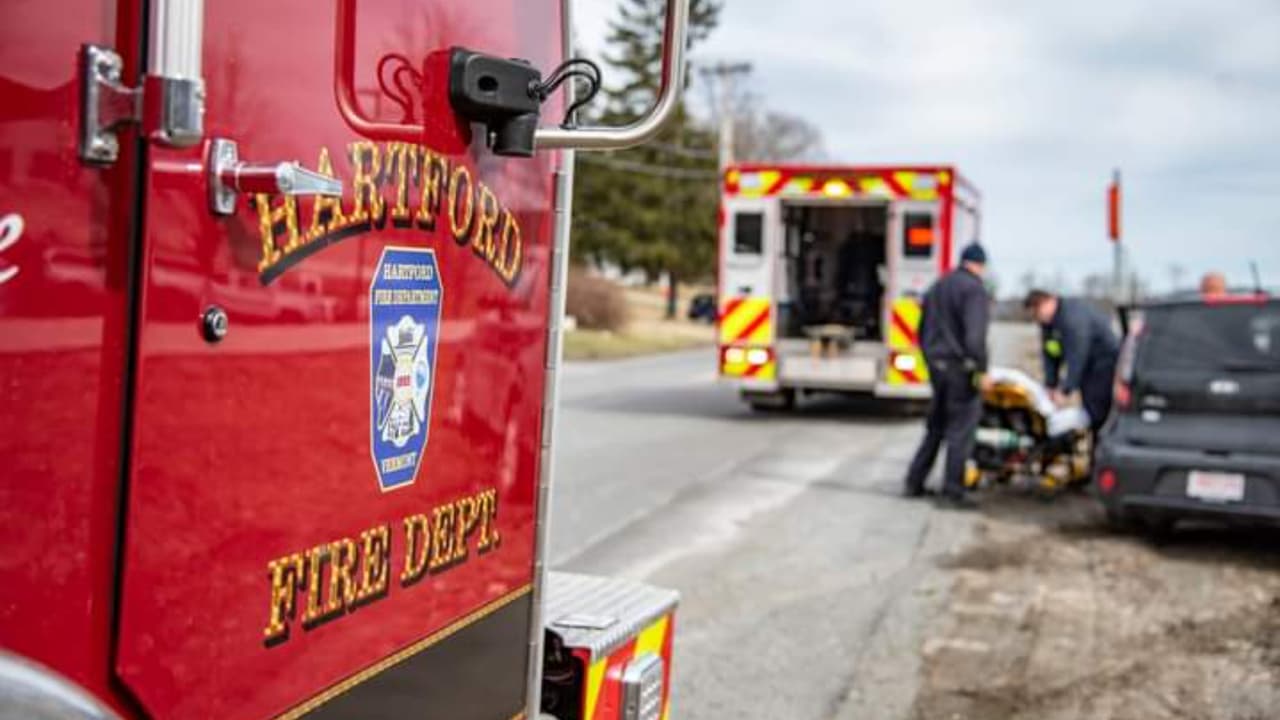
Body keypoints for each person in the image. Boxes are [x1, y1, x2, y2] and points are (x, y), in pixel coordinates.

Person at [903, 243, 993, 508]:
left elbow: (921, 330)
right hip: (959, 370)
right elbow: (975, 337)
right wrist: (982, 369)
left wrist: (931, 359)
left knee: (936, 427)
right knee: (960, 430)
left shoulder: (938, 286)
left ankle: (914, 481)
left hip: (937, 366)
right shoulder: (974, 290)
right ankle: (954, 491)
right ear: (979, 265)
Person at [1023, 289, 1119, 433]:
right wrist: (1051, 384)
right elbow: (1050, 354)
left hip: (1103, 365)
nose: (1037, 318)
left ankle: (1099, 444)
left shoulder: (1072, 317)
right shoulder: (1048, 324)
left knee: (1097, 411)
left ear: (1048, 303)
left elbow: (1077, 355)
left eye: (1037, 313)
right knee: (1088, 407)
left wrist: (1065, 390)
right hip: (1087, 369)